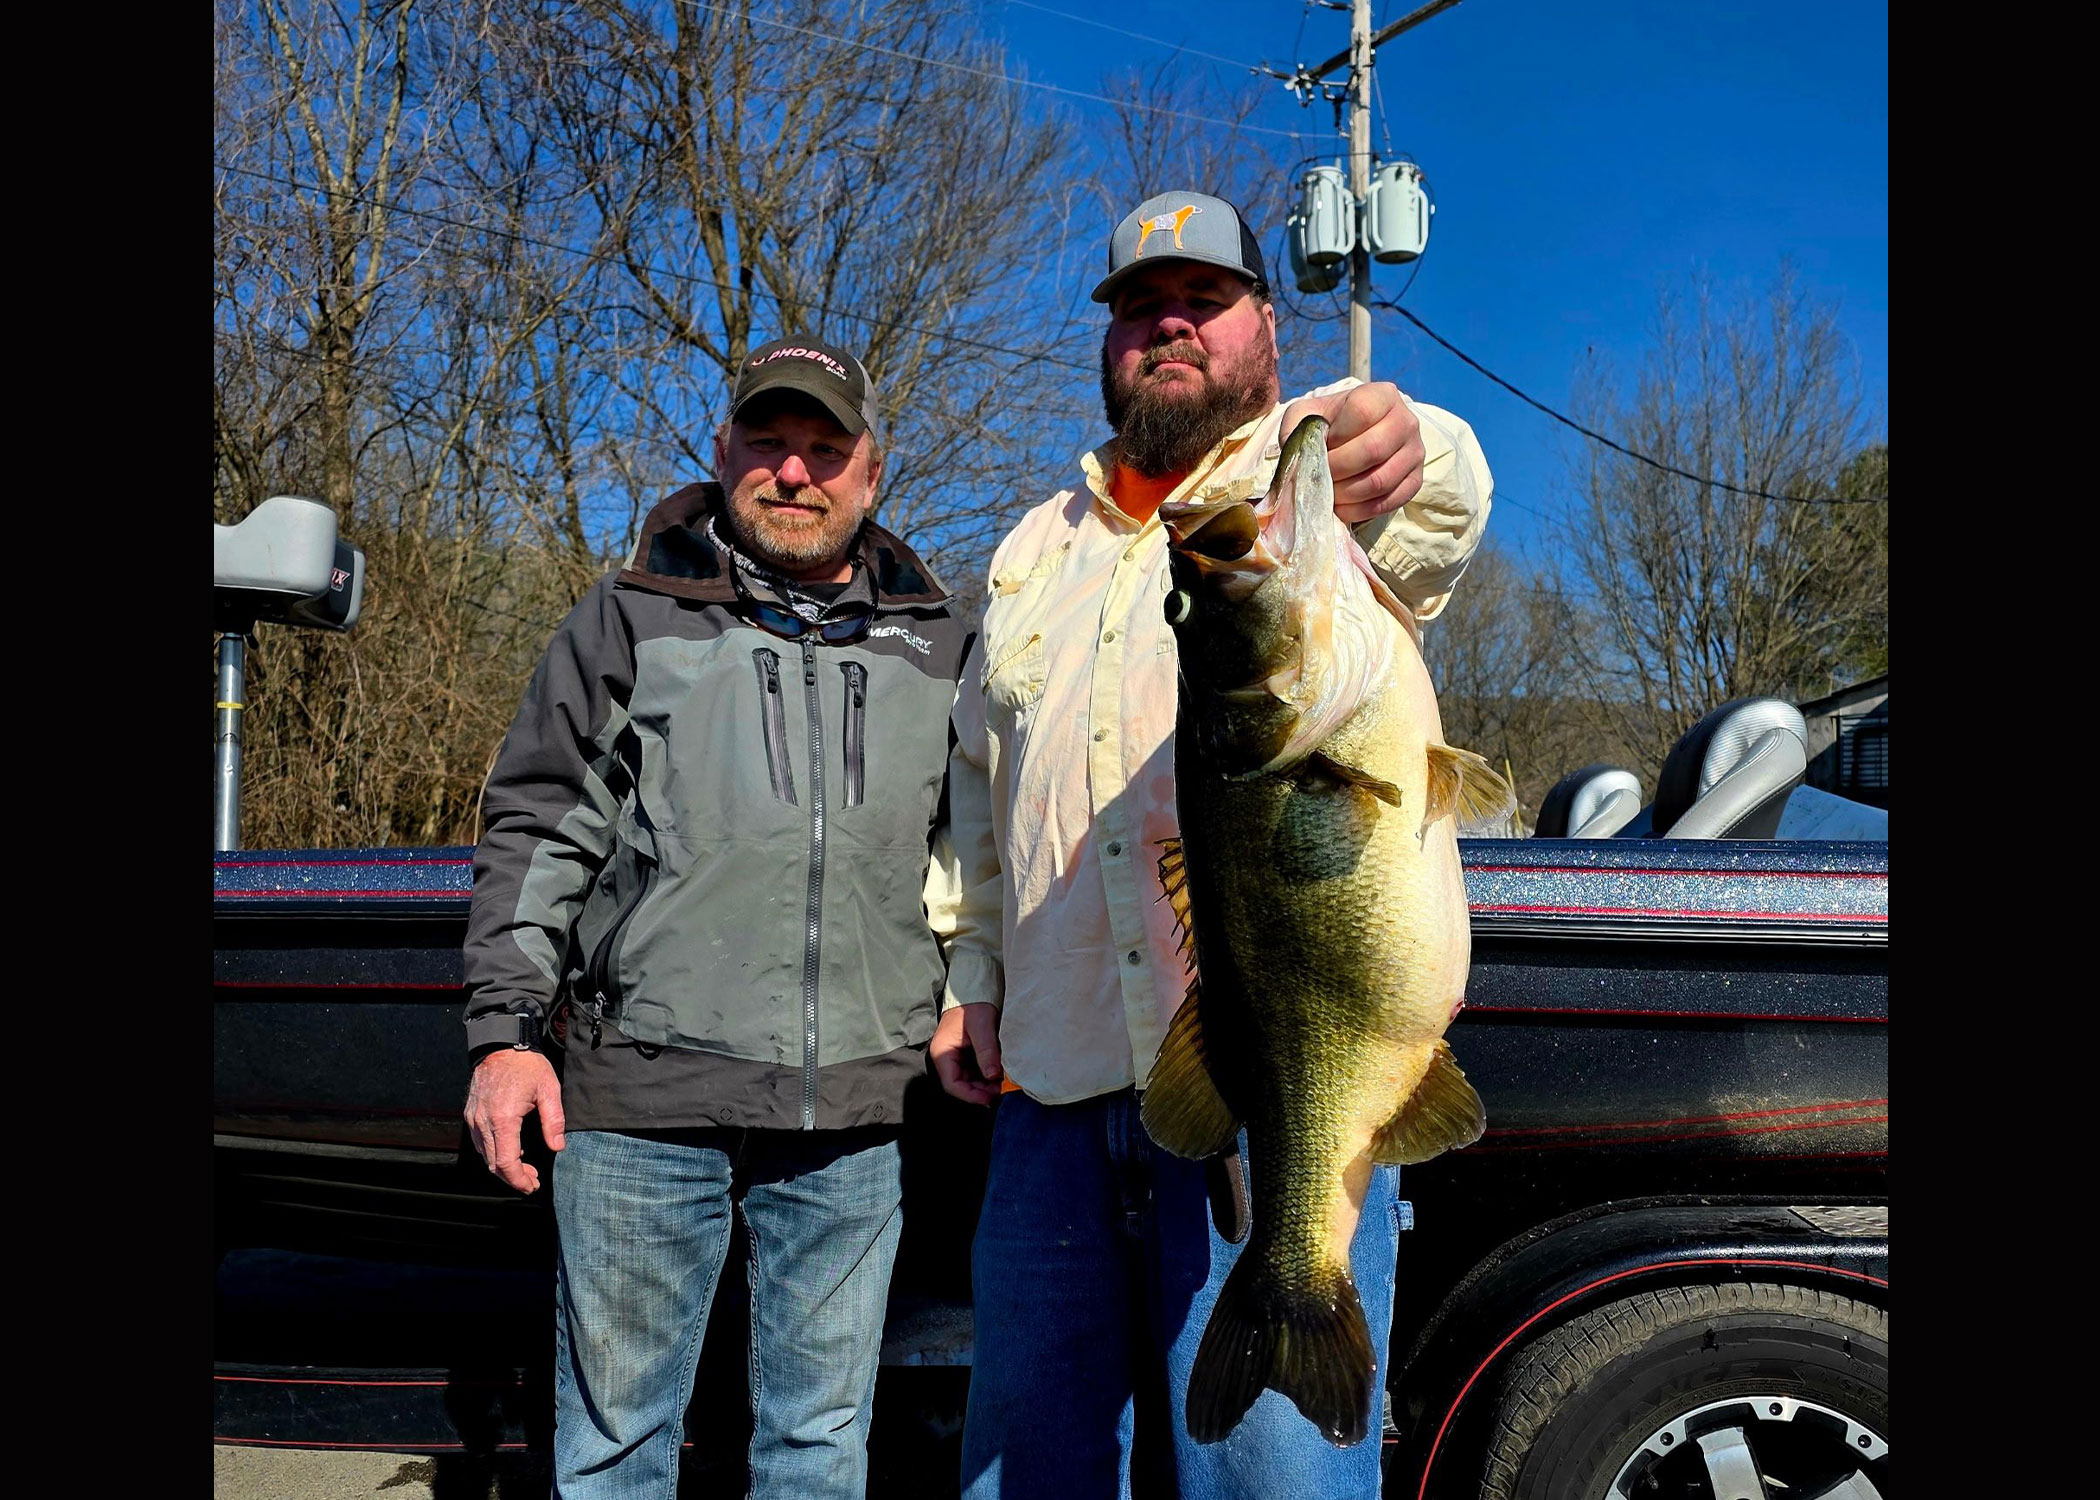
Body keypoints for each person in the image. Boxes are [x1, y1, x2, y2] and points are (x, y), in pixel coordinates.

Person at [926, 191, 1494, 1498]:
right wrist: (968, 980)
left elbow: (1441, 487)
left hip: (1268, 1100)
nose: (1167, 324)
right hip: (1052, 1098)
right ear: (1107, 342)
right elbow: (976, 789)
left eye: (1204, 299)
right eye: (1139, 306)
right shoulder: (1030, 550)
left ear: (1267, 331)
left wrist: (1413, 440)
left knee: (1271, 1483)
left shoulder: (1316, 491)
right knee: (1031, 1474)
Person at [460, 336, 971, 1498]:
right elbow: (541, 828)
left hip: (855, 1110)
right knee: (615, 1450)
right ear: (724, 449)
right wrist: (503, 1037)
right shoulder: (633, 615)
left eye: (824, 449)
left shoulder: (945, 642)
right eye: (768, 442)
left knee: (818, 1450)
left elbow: (988, 853)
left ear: (871, 472)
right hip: (641, 1096)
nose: (794, 472)